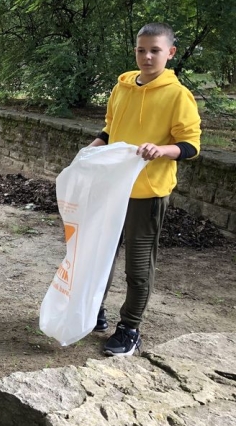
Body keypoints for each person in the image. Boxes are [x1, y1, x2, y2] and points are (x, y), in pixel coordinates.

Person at [88, 23, 201, 356]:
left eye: (155, 50)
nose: (147, 56)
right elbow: (110, 130)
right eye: (141, 50)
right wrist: (90, 151)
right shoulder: (122, 86)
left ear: (170, 53)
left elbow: (191, 145)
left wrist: (161, 150)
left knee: (137, 266)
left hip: (147, 192)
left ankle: (130, 327)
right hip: (112, 188)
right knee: (99, 258)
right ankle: (94, 311)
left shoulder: (177, 94)